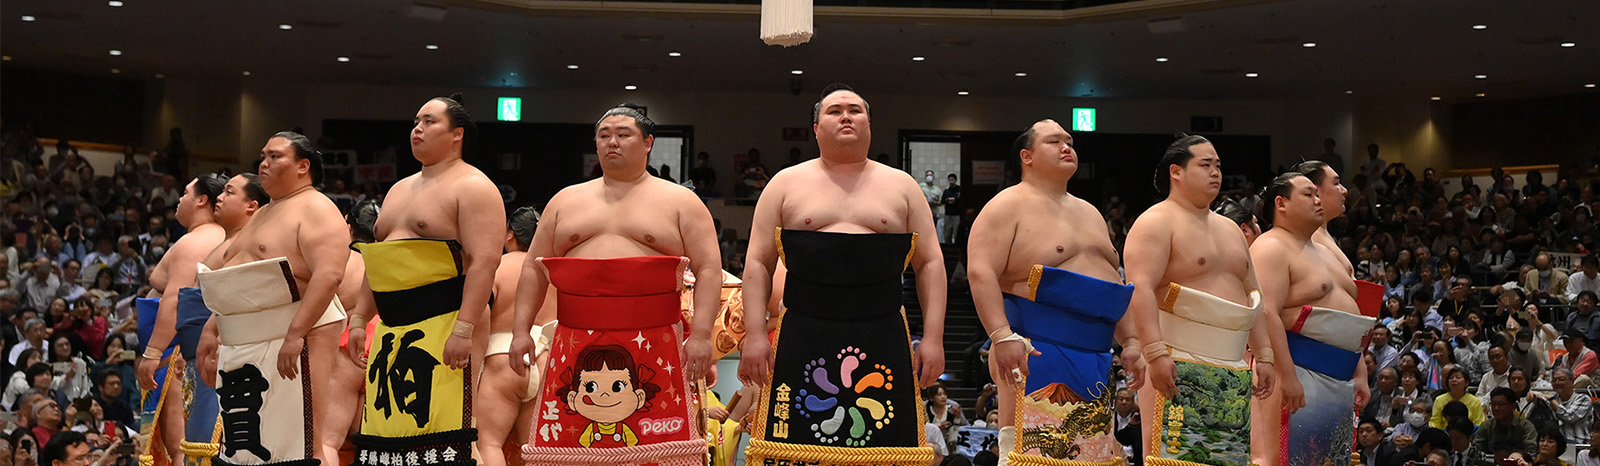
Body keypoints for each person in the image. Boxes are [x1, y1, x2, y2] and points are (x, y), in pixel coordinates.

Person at [737, 84, 946, 466]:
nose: (846, 116)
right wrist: (753, 335)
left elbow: (930, 263)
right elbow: (758, 263)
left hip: (883, 329)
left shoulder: (903, 186)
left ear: (870, 125)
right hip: (802, 328)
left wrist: (933, 338)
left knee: (884, 443)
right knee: (796, 443)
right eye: (834, 111)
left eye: (855, 110)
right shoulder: (784, 183)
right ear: (816, 128)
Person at [505, 104, 718, 465]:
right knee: (573, 446)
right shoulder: (565, 201)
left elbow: (709, 268)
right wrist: (520, 331)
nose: (612, 142)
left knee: (658, 449)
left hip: (656, 339)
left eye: (623, 134)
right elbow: (533, 268)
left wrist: (701, 335)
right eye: (604, 135)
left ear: (648, 142)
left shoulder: (681, 201)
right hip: (574, 338)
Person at [965, 119, 1137, 465]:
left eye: (1069, 141)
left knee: (1093, 458)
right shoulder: (1006, 205)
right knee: (1032, 455)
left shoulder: (1091, 212)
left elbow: (1112, 286)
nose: (1066, 147)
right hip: (1036, 349)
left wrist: (1132, 341)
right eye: (1054, 141)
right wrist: (1000, 335)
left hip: (1098, 357)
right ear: (1026, 156)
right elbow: (980, 271)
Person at [345, 95, 503, 466]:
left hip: (448, 319)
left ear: (457, 134)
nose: (418, 129)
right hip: (391, 326)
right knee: (388, 436)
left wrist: (463, 329)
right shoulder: (398, 190)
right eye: (416, 122)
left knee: (448, 432)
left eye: (430, 121)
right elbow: (380, 258)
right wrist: (359, 318)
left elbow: (485, 262)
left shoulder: (474, 186)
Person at [1125, 135, 1277, 465]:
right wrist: (1155, 353)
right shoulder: (1156, 221)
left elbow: (1254, 296)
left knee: (1230, 461)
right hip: (1177, 361)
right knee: (1174, 460)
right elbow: (1140, 288)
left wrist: (1264, 355)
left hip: (1234, 367)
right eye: (1205, 165)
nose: (1215, 173)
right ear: (1176, 172)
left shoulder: (1231, 230)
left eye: (1218, 166)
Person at [1248, 170, 1374, 466]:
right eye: (1308, 195)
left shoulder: (1326, 252)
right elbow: (1266, 313)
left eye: (1318, 194)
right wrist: (1288, 377)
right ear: (1281, 204)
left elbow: (1348, 322)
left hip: (1341, 375)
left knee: (1331, 461)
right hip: (1298, 370)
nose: (1318, 200)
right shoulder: (1271, 247)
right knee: (1289, 460)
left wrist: (1359, 372)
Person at [133, 173, 227, 466]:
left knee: (180, 444)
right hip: (182, 347)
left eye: (186, 193)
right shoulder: (211, 238)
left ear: (202, 200)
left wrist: (153, 353)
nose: (180, 199)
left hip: (179, 350)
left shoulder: (197, 242)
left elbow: (175, 300)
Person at [473, 207, 548, 466]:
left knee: (488, 443)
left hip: (503, 359)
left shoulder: (497, 268)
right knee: (535, 451)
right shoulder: (551, 272)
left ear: (510, 235)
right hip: (547, 360)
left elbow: (479, 313)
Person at [1474, 387, 1538, 457]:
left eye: (1501, 404)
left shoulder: (1525, 426)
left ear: (1513, 407)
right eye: (1493, 404)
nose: (1496, 408)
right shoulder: (1487, 426)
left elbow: (1531, 451)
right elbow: (1476, 448)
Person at [1547, 367, 1592, 444]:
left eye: (1561, 379)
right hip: (1558, 445)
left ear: (1572, 381)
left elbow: (1570, 416)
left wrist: (1551, 400)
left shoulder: (1583, 399)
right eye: (1554, 380)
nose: (1557, 383)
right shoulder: (1552, 399)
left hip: (1579, 444)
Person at [938, 174, 961, 244]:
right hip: (948, 215)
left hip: (957, 214)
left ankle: (957, 247)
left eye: (952, 180)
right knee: (947, 234)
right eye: (950, 180)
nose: (951, 181)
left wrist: (956, 200)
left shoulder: (959, 190)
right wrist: (947, 200)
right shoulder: (946, 191)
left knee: (957, 233)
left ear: (955, 180)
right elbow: (942, 201)